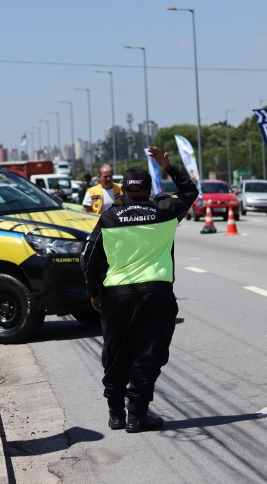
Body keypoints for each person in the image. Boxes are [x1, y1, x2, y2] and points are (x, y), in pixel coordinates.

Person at [83, 146, 198, 432]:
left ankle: (116, 414)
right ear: (148, 190)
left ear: (123, 190)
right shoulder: (165, 210)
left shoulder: (109, 218)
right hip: (156, 294)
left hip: (117, 296)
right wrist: (169, 167)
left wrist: (94, 292)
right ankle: (136, 413)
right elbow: (190, 193)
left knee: (115, 353)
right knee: (148, 354)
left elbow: (90, 259)